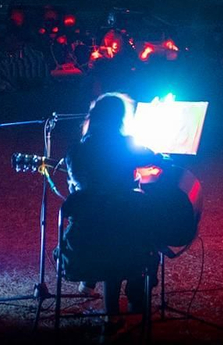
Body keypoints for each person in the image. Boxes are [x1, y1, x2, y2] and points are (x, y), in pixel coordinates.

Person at [65, 93, 157, 321]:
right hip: (120, 240)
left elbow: (77, 196)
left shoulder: (75, 150)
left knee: (111, 228)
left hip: (80, 243)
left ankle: (110, 310)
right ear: (120, 120)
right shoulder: (125, 146)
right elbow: (153, 156)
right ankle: (135, 299)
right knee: (147, 228)